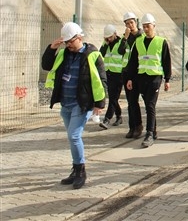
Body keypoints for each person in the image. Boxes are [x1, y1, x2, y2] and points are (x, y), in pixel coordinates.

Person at [41, 22, 107, 189]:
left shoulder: (93, 54)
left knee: (74, 136)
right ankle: (75, 169)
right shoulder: (64, 53)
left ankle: (81, 171)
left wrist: (99, 103)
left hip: (82, 103)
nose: (68, 45)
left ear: (79, 37)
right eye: (66, 42)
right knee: (72, 138)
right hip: (66, 103)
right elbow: (46, 66)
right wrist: (52, 48)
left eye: (71, 41)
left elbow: (102, 80)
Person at [124, 13, 172, 148]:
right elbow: (133, 62)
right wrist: (129, 78)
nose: (145, 29)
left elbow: (166, 61)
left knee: (150, 105)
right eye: (144, 27)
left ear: (154, 26)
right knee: (139, 102)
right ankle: (149, 129)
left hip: (155, 77)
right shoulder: (138, 41)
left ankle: (149, 134)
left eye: (148, 26)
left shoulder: (161, 42)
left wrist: (167, 79)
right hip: (140, 77)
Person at [118, 11, 143, 139]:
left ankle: (138, 126)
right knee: (130, 102)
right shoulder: (126, 38)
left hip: (138, 72)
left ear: (136, 22)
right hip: (127, 72)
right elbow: (120, 51)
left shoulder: (141, 37)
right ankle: (132, 127)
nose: (130, 25)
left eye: (131, 23)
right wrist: (125, 38)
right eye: (127, 24)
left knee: (134, 101)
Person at [98, 24, 124, 129]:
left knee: (113, 98)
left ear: (115, 34)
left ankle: (107, 119)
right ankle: (119, 116)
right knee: (114, 97)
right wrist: (106, 44)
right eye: (106, 37)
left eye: (110, 36)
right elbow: (101, 55)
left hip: (118, 74)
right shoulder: (106, 44)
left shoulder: (122, 42)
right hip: (108, 73)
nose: (108, 38)